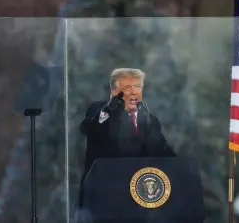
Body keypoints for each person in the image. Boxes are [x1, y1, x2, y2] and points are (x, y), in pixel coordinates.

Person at [75, 68, 176, 221]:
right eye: (128, 88)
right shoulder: (100, 110)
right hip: (105, 194)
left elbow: (162, 150)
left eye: (138, 86)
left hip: (139, 196)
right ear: (114, 92)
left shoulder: (149, 119)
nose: (134, 92)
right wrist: (110, 110)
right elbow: (88, 128)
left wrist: (179, 167)